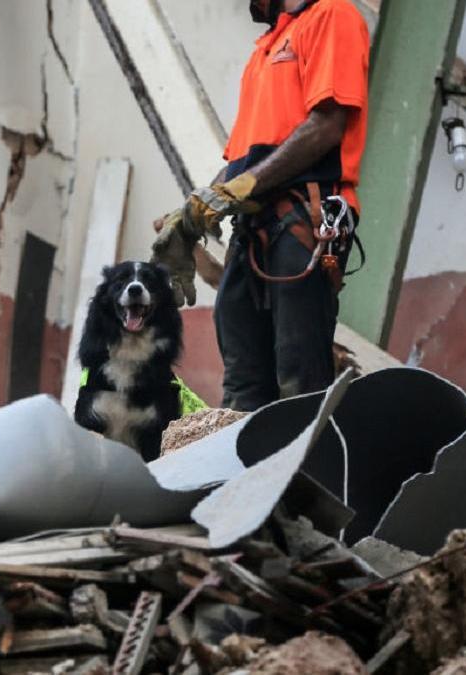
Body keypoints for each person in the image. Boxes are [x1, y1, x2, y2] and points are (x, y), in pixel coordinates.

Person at [151, 0, 369, 411]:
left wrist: (244, 187)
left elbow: (326, 125)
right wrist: (189, 219)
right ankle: (250, 473)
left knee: (300, 376)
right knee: (242, 383)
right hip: (253, 229)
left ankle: (305, 472)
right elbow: (242, 162)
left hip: (304, 216)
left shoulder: (332, 15)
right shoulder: (266, 49)